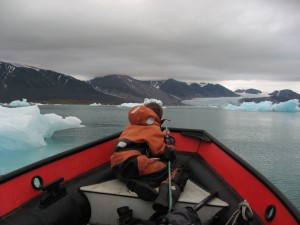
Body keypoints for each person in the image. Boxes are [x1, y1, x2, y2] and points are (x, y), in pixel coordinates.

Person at [110, 102, 189, 215]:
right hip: (135, 163)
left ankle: (135, 182)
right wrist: (170, 148)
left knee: (149, 166)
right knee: (178, 168)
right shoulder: (152, 129)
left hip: (117, 168)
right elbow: (163, 153)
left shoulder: (131, 126)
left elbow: (146, 142)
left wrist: (160, 135)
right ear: (156, 117)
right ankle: (163, 200)